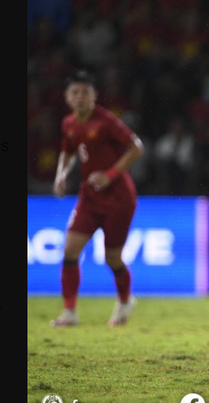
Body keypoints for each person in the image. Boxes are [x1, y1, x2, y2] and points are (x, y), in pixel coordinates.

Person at [50, 69, 144, 327]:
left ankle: (125, 301)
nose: (80, 97)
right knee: (70, 251)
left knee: (112, 258)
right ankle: (69, 312)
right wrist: (61, 175)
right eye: (74, 92)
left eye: (85, 92)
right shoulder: (68, 123)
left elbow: (136, 146)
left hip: (119, 199)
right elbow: (68, 153)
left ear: (94, 96)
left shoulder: (106, 121)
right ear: (67, 97)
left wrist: (110, 174)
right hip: (89, 198)